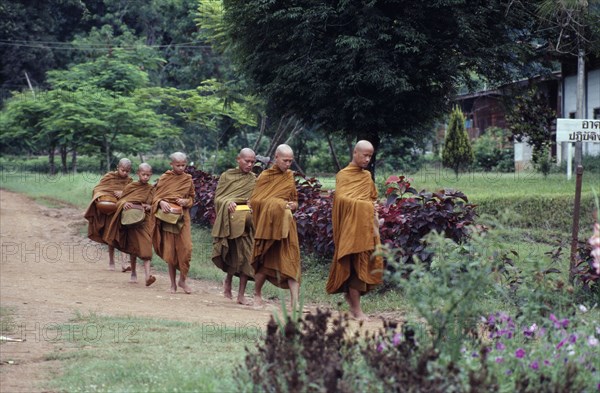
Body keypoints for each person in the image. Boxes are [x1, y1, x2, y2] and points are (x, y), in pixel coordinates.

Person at [326, 140, 383, 321]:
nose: (367, 159)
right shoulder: (343, 175)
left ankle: (354, 307)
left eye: (370, 156)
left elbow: (372, 197)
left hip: (365, 228)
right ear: (355, 153)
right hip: (349, 228)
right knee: (352, 265)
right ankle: (357, 310)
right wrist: (367, 206)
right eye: (364, 155)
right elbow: (341, 199)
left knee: (362, 264)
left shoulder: (366, 177)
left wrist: (374, 208)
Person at [249, 144, 301, 308]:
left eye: (290, 161)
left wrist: (293, 205)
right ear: (276, 157)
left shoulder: (289, 177)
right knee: (266, 263)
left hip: (286, 226)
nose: (288, 164)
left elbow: (294, 200)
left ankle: (295, 301)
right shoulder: (265, 176)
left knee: (292, 261)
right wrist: (278, 204)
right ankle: (257, 294)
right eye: (285, 160)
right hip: (269, 227)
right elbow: (256, 202)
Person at [211, 148, 257, 305]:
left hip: (247, 223)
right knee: (232, 253)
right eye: (247, 161)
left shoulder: (254, 179)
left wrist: (252, 204)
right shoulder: (227, 176)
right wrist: (227, 202)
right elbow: (218, 198)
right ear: (238, 159)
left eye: (252, 162)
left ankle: (241, 295)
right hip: (230, 221)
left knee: (247, 256)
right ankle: (228, 281)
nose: (250, 165)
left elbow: (256, 199)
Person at [103, 163, 156, 286]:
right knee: (133, 248)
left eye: (148, 175)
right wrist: (124, 203)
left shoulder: (151, 189)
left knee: (146, 246)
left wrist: (149, 206)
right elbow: (121, 201)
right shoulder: (131, 186)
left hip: (144, 221)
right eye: (143, 174)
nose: (145, 177)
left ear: (151, 175)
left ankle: (148, 276)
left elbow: (155, 204)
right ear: (138, 173)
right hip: (131, 221)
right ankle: (133, 273)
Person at [152, 152, 195, 294]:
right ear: (171, 164)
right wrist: (161, 202)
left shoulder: (188, 179)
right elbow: (155, 197)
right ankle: (172, 284)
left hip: (183, 217)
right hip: (167, 217)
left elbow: (191, 199)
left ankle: (182, 280)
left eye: (184, 165)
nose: (181, 168)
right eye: (178, 165)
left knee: (186, 249)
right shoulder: (165, 178)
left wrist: (185, 201)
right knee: (170, 251)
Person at [84, 158, 133, 271]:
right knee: (110, 235)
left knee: (122, 235)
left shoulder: (130, 181)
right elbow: (98, 190)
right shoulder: (109, 177)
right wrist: (105, 198)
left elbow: (133, 195)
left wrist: (123, 193)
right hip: (109, 211)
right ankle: (111, 261)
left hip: (122, 211)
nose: (125, 173)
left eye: (127, 171)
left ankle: (124, 263)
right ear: (117, 168)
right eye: (122, 170)